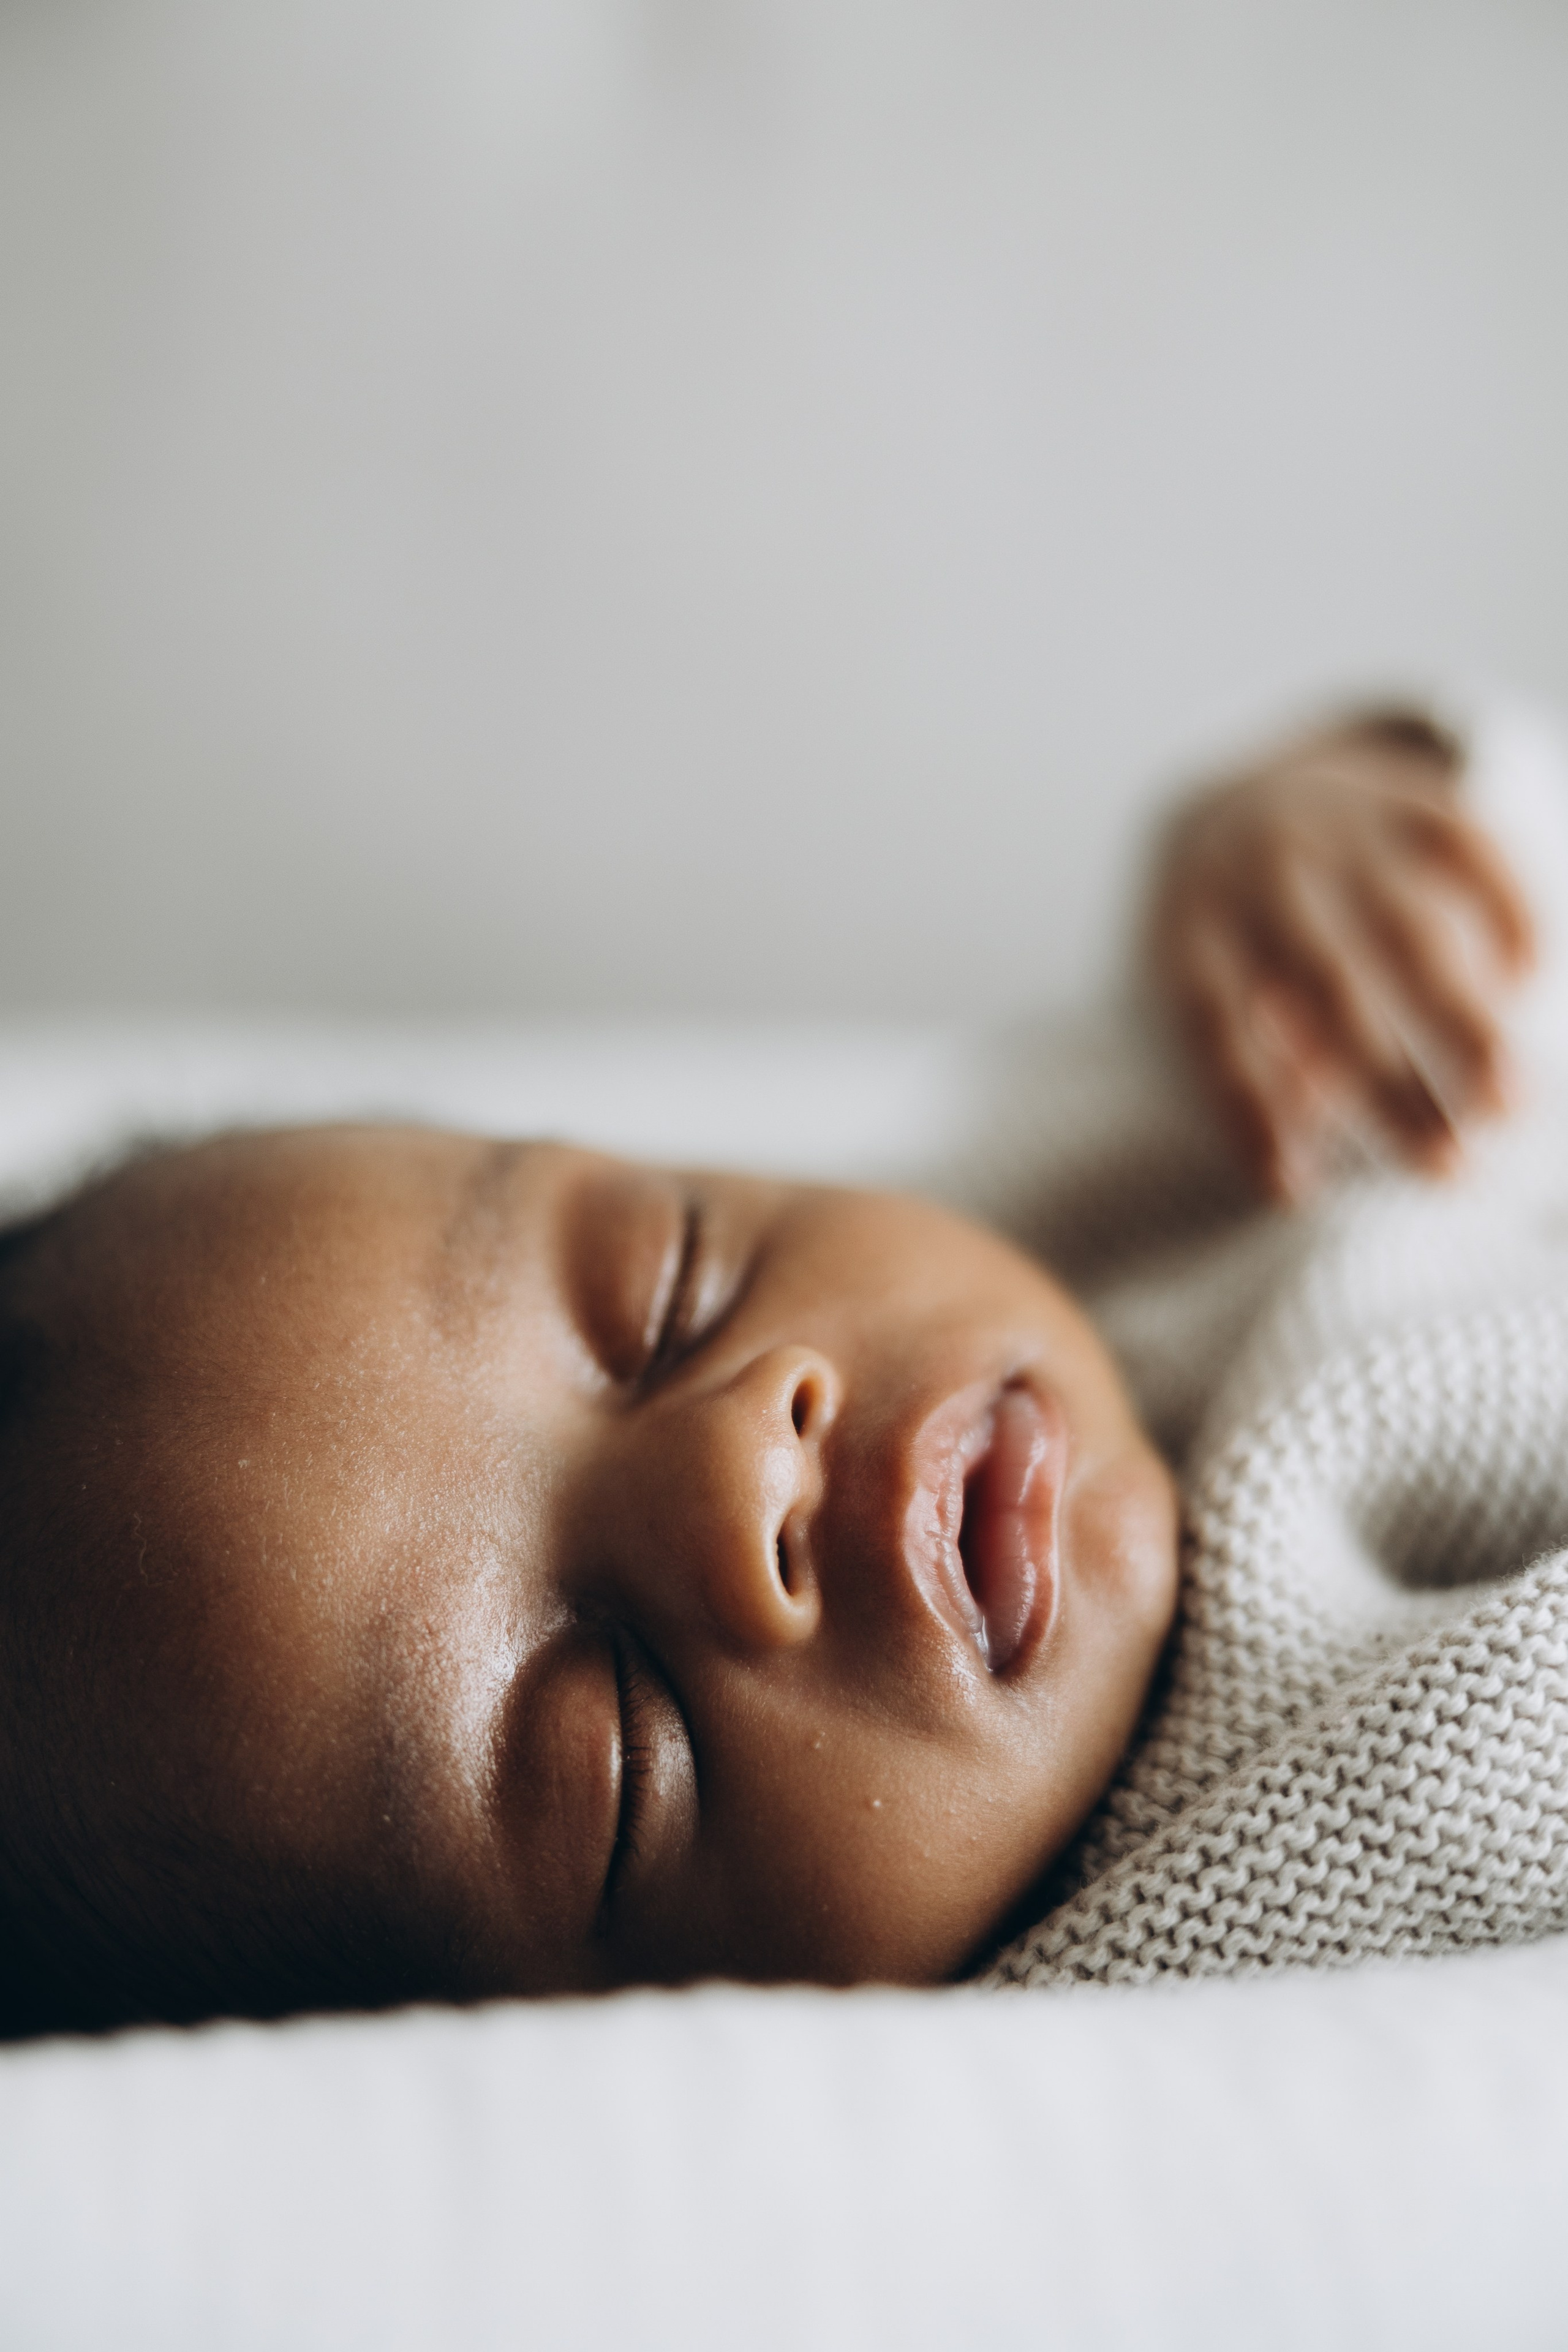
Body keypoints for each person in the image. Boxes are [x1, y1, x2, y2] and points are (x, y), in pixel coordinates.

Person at [0, 698, 1549, 2034]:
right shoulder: (1173, 1970)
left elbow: (1494, 927)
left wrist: (1327, 832)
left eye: (670, 1282)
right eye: (613, 1750)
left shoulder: (1053, 1176)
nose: (745, 1458)